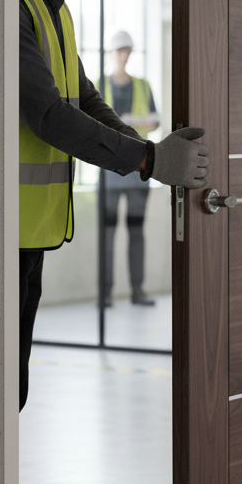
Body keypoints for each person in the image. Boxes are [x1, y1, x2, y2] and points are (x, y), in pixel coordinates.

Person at [17, 0, 208, 484]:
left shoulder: (52, 1)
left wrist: (151, 152)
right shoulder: (12, 0)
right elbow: (45, 115)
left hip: (24, 241)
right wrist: (140, 159)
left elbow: (83, 98)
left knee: (7, 401)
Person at [98, 30, 160, 307]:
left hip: (137, 172)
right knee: (107, 235)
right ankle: (106, 293)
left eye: (127, 51)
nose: (123, 56)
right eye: (119, 50)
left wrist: (139, 119)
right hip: (108, 174)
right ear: (111, 54)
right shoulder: (97, 86)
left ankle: (137, 290)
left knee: (136, 232)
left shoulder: (144, 86)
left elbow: (156, 120)